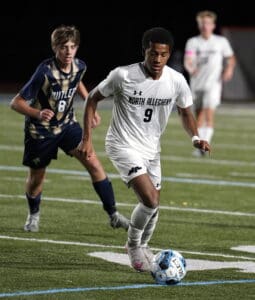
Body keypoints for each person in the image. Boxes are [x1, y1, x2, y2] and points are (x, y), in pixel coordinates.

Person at [77, 27, 210, 272]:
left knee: (154, 205)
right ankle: (133, 244)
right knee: (150, 199)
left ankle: (144, 244)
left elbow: (185, 112)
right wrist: (87, 139)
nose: (157, 60)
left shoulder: (176, 80)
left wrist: (195, 138)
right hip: (122, 144)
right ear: (144, 52)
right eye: (152, 54)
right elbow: (92, 98)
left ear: (169, 55)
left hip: (151, 150)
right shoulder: (123, 75)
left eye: (163, 54)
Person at [10, 25, 129, 232]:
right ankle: (34, 215)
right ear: (55, 47)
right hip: (41, 132)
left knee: (94, 164)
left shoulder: (79, 66)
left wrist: (88, 100)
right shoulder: (45, 71)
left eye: (73, 47)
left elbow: (77, 80)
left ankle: (113, 215)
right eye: (64, 47)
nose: (69, 52)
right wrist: (37, 113)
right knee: (37, 178)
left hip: (67, 126)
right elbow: (15, 102)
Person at [184, 10, 236, 156]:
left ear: (213, 25)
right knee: (198, 116)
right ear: (198, 25)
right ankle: (201, 144)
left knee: (209, 114)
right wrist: (191, 68)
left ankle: (203, 149)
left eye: (207, 23)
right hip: (197, 84)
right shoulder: (193, 42)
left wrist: (229, 70)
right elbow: (188, 60)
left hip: (213, 84)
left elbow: (231, 58)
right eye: (202, 23)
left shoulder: (221, 42)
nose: (205, 26)